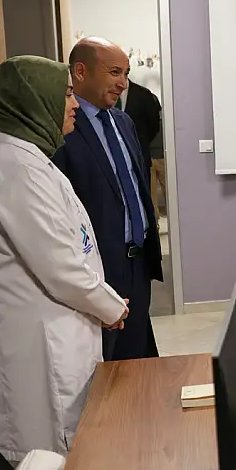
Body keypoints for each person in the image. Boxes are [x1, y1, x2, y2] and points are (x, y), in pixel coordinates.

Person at [0, 56, 128, 461]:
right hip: (39, 342)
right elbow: (59, 267)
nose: (74, 104)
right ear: (32, 102)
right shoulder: (15, 167)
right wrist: (109, 306)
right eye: (65, 94)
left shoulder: (28, 157)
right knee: (46, 459)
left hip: (57, 325)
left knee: (68, 445)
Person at [52, 38, 161, 361]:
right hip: (96, 266)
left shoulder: (123, 122)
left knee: (137, 357)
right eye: (114, 72)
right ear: (80, 72)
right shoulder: (62, 127)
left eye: (125, 74)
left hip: (137, 261)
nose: (122, 84)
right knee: (105, 362)